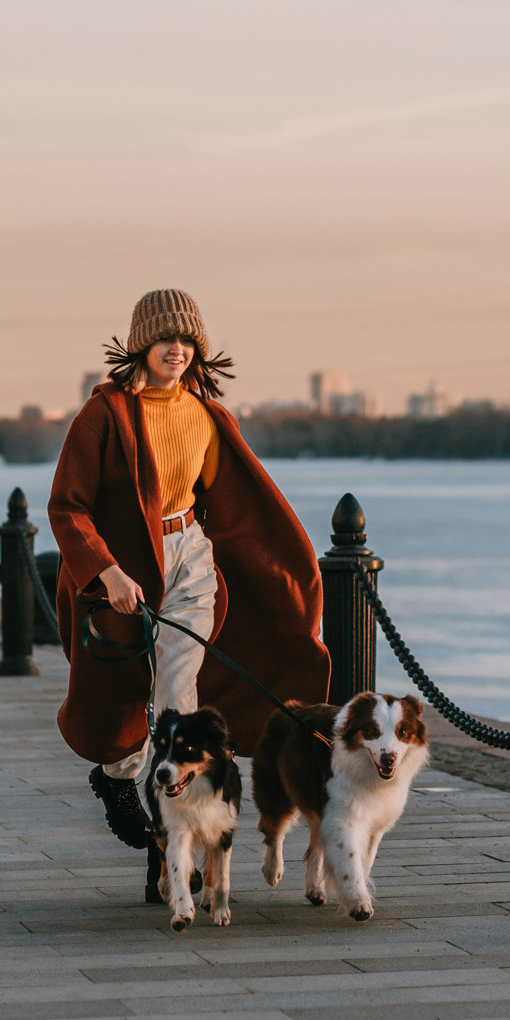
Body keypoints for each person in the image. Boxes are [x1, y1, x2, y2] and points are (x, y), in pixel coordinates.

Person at [48, 288, 330, 898]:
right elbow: (67, 507)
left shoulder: (207, 416)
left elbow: (232, 504)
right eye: (165, 339)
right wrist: (106, 571)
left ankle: (171, 860)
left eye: (187, 341)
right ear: (140, 345)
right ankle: (123, 779)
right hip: (124, 573)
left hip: (190, 560)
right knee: (123, 714)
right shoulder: (104, 416)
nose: (177, 349)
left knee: (177, 704)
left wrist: (273, 573)